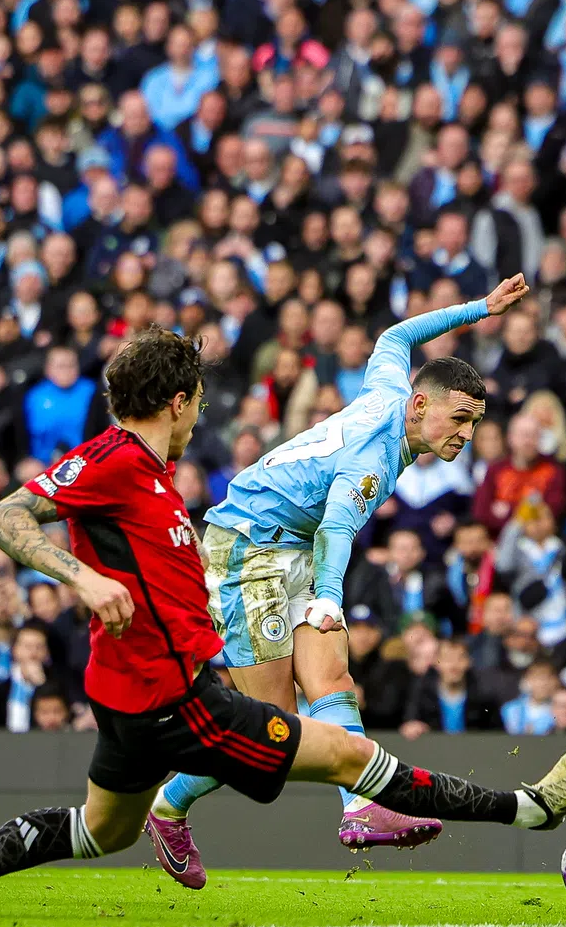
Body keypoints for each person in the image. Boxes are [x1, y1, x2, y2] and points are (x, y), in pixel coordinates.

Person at [0, 330, 566, 916]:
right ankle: (527, 810)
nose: (201, 413)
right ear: (178, 403)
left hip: (129, 699)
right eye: (198, 400)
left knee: (99, 832)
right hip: (184, 703)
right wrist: (83, 576)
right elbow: (3, 516)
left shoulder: (150, 473)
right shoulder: (116, 465)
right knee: (346, 754)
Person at [145, 274, 532, 884]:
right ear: (422, 404)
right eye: (461, 417)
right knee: (268, 721)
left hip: (289, 543)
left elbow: (397, 334)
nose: (468, 434)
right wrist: (327, 596)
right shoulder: (375, 457)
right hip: (247, 549)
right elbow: (335, 529)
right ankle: (168, 805)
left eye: (477, 422)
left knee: (333, 681)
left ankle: (361, 808)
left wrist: (480, 309)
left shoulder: (387, 392)